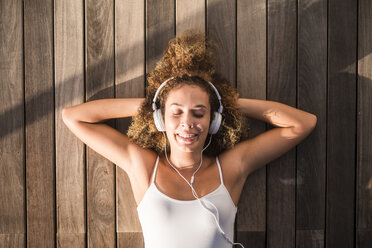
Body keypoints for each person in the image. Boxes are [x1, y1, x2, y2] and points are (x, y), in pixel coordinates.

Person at [62, 30, 317, 248]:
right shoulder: (144, 167)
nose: (187, 123)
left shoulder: (229, 170)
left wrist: (225, 102)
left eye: (199, 112)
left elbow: (303, 123)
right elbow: (73, 117)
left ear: (214, 122)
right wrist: (151, 105)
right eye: (176, 112)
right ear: (161, 120)